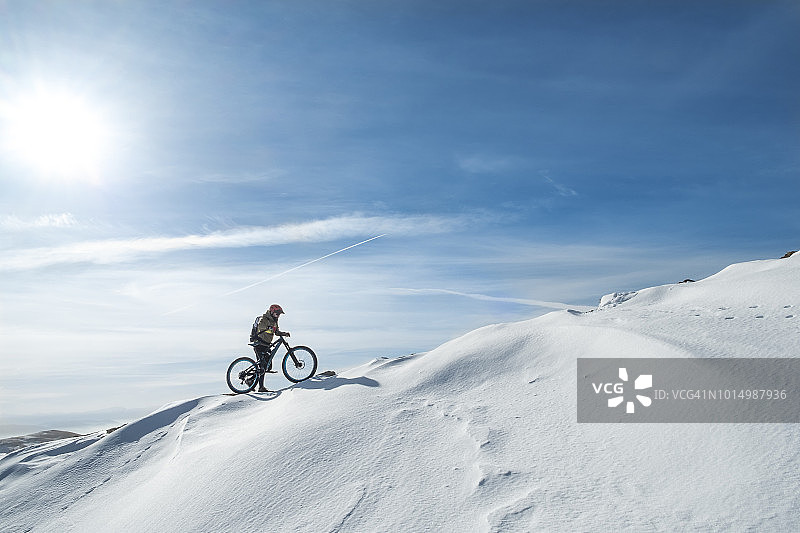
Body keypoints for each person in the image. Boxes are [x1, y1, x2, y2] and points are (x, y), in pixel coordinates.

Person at [250, 304, 290, 392]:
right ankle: (261, 387)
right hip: (259, 343)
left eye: (279, 314)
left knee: (268, 366)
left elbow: (276, 332)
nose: (278, 315)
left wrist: (283, 333)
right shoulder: (264, 318)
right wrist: (270, 328)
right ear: (272, 312)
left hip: (266, 345)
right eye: (277, 313)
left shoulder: (275, 321)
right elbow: (261, 327)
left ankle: (250, 380)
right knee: (262, 365)